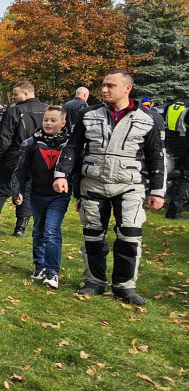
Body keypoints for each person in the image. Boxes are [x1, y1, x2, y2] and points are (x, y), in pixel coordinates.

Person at [53, 70, 166, 305]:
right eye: (103, 85)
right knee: (93, 235)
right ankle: (94, 281)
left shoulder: (148, 118)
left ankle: (125, 286)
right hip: (93, 183)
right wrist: (62, 174)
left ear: (127, 89)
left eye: (110, 86)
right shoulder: (88, 114)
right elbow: (73, 147)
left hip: (130, 186)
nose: (104, 89)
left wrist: (157, 190)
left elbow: (156, 155)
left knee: (130, 236)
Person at [12, 106, 72, 289]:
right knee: (38, 230)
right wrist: (18, 190)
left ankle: (52, 271)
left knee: (52, 231)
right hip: (37, 194)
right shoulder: (31, 142)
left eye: (53, 120)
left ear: (63, 123)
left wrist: (81, 196)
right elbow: (20, 169)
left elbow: (76, 172)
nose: (48, 123)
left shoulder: (70, 145)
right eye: (46, 119)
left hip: (59, 196)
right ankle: (39, 264)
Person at [0, 81, 47, 236]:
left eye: (16, 94)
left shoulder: (15, 111)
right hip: (38, 157)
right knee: (27, 190)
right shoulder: (47, 111)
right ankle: (20, 229)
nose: (13, 97)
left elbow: (4, 138)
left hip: (15, 155)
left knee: (1, 188)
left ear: (26, 94)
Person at [164, 91, 189, 219]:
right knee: (185, 176)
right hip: (185, 142)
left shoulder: (172, 104)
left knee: (181, 175)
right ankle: (174, 211)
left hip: (173, 142)